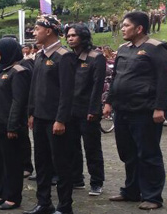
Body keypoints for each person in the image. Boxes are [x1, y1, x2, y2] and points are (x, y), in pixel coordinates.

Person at [104, 11, 167, 210]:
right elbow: (115, 78)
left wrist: (160, 107)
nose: (122, 28)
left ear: (139, 28)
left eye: (126, 25)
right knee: (127, 153)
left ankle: (153, 197)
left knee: (148, 154)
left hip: (145, 111)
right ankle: (131, 191)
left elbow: (163, 80)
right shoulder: (123, 49)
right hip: (122, 110)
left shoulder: (156, 49)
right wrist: (109, 102)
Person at [25, 15, 77, 214]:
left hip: (56, 121)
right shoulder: (39, 55)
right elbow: (34, 87)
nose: (33, 32)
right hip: (39, 118)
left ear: (48, 31)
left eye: (37, 29)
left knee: (61, 163)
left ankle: (65, 206)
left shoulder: (65, 56)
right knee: (42, 161)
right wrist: (31, 112)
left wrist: (61, 119)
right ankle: (43, 202)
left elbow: (67, 92)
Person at [0, 37, 30, 210]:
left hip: (7, 126)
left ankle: (13, 197)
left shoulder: (19, 71)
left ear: (7, 51)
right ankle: (1, 193)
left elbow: (19, 102)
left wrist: (12, 126)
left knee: (12, 163)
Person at [65, 24, 106, 196]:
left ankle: (96, 181)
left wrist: (94, 110)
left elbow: (97, 87)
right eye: (68, 36)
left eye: (74, 35)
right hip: (70, 110)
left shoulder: (95, 57)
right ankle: (76, 179)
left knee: (92, 147)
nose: (70, 38)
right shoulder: (68, 57)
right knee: (72, 146)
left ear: (83, 36)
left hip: (88, 110)